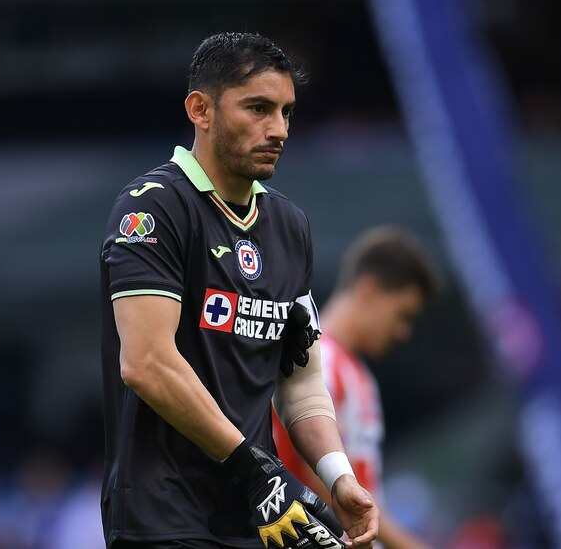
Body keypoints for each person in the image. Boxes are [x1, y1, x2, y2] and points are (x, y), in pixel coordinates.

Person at [99, 32, 379, 548]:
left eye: (287, 112)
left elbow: (300, 380)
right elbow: (146, 363)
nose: (279, 130)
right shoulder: (152, 209)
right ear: (200, 110)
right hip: (164, 518)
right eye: (258, 109)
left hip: (257, 516)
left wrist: (338, 476)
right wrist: (259, 472)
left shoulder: (290, 226)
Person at [273, 226, 439, 549]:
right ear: (369, 289)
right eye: (402, 314)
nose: (403, 332)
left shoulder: (354, 372)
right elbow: (318, 475)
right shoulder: (319, 360)